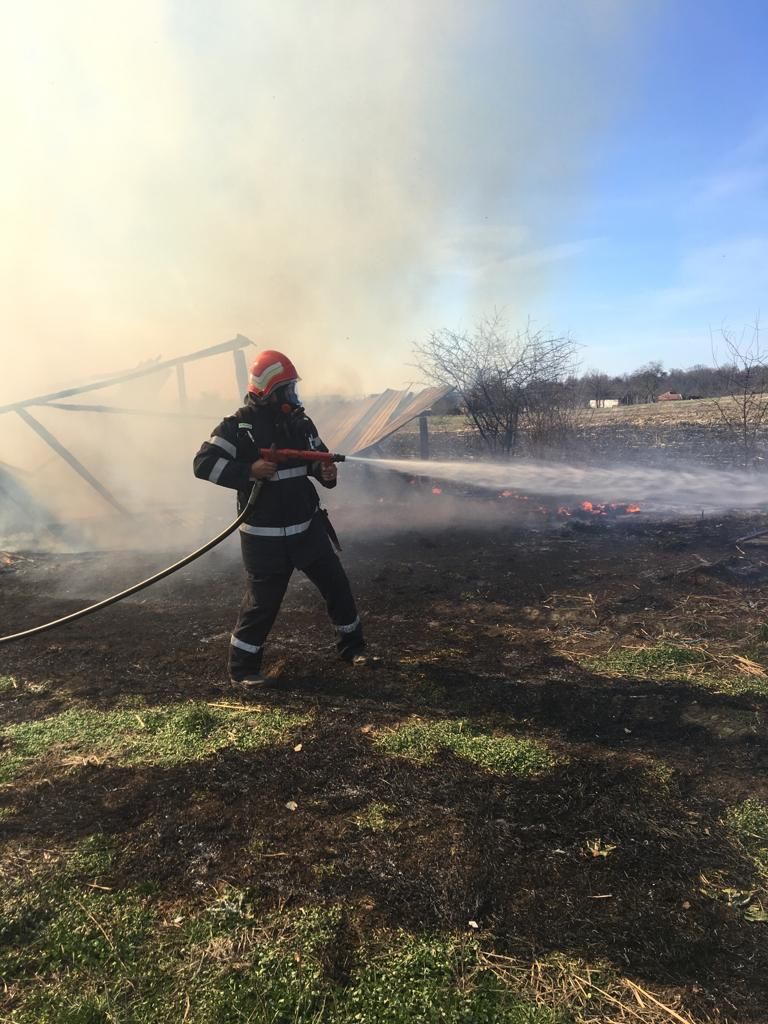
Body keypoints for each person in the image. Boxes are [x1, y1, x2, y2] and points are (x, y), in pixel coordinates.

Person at [193, 349, 365, 687]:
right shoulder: (237, 428)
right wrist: (249, 470)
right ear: (267, 391)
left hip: (307, 528)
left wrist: (325, 471)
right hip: (264, 536)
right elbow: (203, 464)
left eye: (293, 389)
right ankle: (243, 670)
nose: (293, 396)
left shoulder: (300, 423)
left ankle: (353, 648)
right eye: (286, 389)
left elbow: (318, 460)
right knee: (262, 605)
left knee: (337, 587)